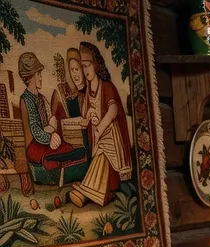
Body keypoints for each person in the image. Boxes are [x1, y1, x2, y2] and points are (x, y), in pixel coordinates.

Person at [70, 41, 132, 207]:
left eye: (88, 65)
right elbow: (86, 115)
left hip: (111, 135)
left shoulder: (107, 86)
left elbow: (113, 110)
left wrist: (99, 128)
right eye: (82, 67)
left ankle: (84, 193)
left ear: (96, 64)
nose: (85, 70)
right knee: (99, 156)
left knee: (102, 153)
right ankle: (89, 192)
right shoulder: (89, 91)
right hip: (99, 137)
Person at [16, 52, 85, 183]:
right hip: (34, 146)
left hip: (45, 141)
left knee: (67, 148)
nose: (41, 78)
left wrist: (52, 129)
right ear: (30, 77)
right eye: (38, 74)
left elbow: (49, 123)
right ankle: (63, 161)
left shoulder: (41, 98)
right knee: (50, 157)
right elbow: (36, 131)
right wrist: (50, 135)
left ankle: (67, 156)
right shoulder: (26, 100)